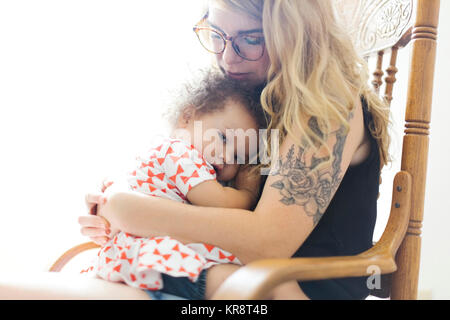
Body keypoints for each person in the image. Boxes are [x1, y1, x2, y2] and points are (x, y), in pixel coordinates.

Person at [0, 0, 389, 300]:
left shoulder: (328, 105)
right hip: (224, 274)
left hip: (288, 288)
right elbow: (185, 183)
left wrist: (131, 210)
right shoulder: (250, 94)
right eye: (217, 34)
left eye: (251, 39)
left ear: (297, 34)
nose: (227, 57)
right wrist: (131, 204)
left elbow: (267, 242)